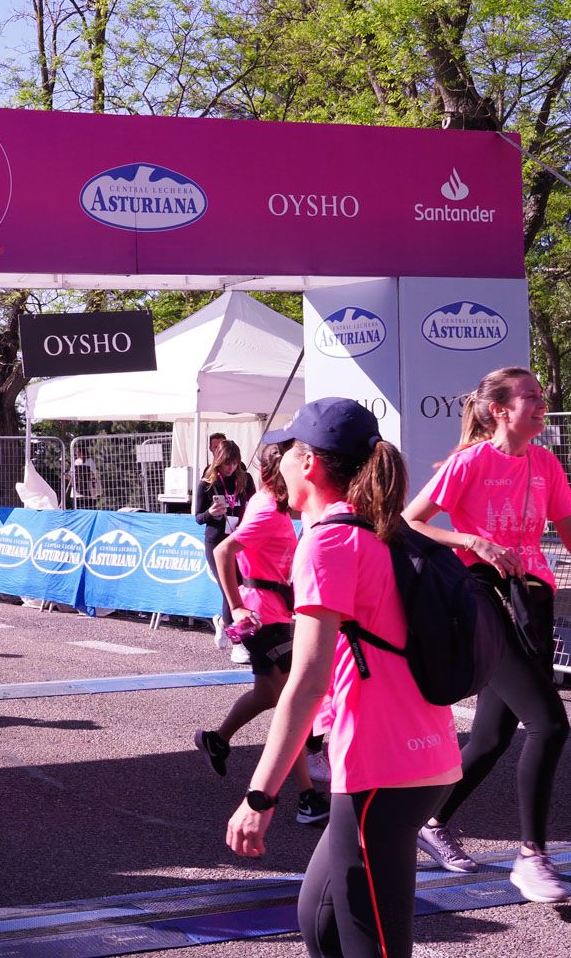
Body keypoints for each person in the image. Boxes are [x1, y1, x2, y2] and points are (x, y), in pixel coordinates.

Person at [225, 398, 460, 958]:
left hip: (382, 769)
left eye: (285, 451)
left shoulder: (329, 541)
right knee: (322, 922)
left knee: (369, 944)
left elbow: (306, 682)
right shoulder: (384, 530)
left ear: (308, 463)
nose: (277, 462)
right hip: (421, 758)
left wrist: (259, 796)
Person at [404, 367, 571, 903]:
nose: (541, 403)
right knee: (549, 723)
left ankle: (429, 819)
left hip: (532, 600)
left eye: (540, 395)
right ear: (500, 410)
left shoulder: (546, 461)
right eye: (530, 396)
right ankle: (532, 858)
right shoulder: (469, 462)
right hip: (481, 599)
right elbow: (410, 521)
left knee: (492, 736)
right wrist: (472, 541)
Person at [196, 443, 328, 825]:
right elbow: (224, 551)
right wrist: (236, 606)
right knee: (293, 701)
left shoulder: (272, 504)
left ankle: (216, 740)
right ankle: (307, 798)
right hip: (261, 617)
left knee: (269, 696)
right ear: (278, 471)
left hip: (274, 612)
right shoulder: (269, 510)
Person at [195, 440, 255, 654]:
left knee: (240, 588)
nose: (229, 468)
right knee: (229, 590)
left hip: (239, 540)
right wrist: (211, 513)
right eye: (226, 464)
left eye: (234, 464)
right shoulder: (206, 484)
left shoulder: (245, 480)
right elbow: (198, 518)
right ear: (217, 462)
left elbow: (253, 506)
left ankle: (222, 623)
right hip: (216, 542)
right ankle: (238, 644)